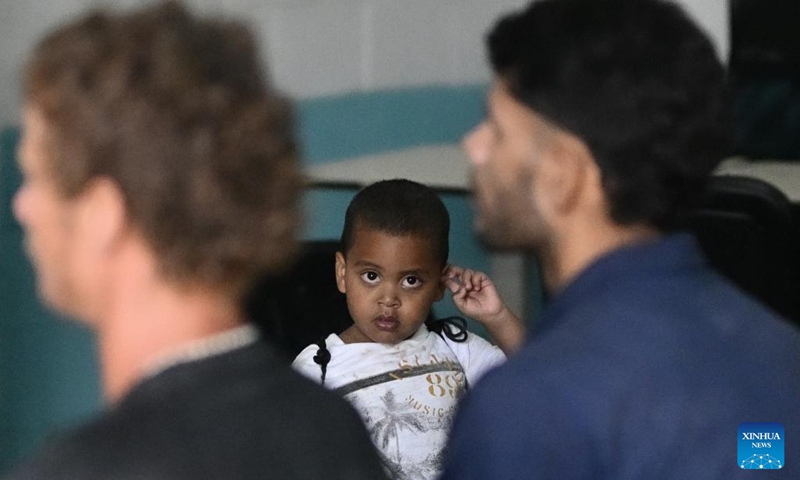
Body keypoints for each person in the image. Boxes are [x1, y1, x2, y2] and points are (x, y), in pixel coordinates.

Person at [5, 2, 387, 479]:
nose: (22, 206)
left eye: (36, 178)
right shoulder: (333, 428)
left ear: (102, 215)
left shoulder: (80, 471)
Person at [440, 0, 800, 479]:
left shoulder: (524, 411)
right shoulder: (779, 354)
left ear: (563, 176)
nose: (473, 145)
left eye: (497, 132)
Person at [292, 178, 525, 480]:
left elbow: (539, 377)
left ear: (440, 285)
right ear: (342, 273)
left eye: (411, 281)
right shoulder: (317, 368)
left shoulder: (456, 348)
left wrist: (497, 316)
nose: (389, 299)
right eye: (372, 276)